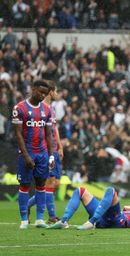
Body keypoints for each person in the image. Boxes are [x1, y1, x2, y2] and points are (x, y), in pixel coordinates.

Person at [12, 79, 55, 229]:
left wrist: (51, 156)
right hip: (27, 152)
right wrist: (26, 156)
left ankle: (39, 219)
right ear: (33, 89)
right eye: (41, 92)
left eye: (45, 93)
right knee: (24, 185)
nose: (43, 95)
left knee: (41, 185)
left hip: (42, 154)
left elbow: (49, 135)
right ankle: (24, 220)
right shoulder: (20, 108)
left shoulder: (47, 110)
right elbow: (18, 135)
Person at [48, 186, 130, 229]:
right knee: (81, 191)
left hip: (118, 221)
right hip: (110, 217)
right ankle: (64, 221)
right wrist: (129, 210)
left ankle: (91, 222)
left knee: (111, 191)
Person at [27, 81, 63, 223]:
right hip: (47, 149)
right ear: (51, 92)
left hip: (54, 148)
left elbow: (55, 129)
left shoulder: (51, 109)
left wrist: (60, 146)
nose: (57, 94)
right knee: (49, 182)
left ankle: (28, 204)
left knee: (55, 184)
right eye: (56, 91)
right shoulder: (40, 109)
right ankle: (52, 216)